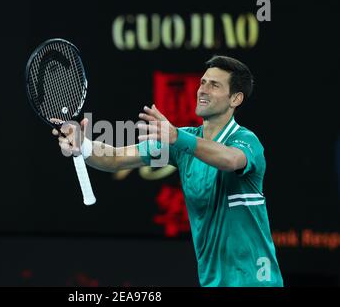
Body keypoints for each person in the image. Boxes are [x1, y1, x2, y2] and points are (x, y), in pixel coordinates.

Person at [53, 56, 283, 287]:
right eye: (202, 82)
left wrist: (176, 137)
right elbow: (116, 157)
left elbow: (230, 160)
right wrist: (83, 145)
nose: (202, 90)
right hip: (213, 282)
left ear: (236, 98)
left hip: (257, 281)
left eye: (214, 85)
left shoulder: (246, 141)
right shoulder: (183, 142)